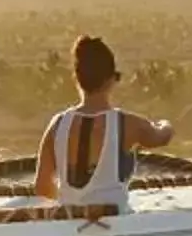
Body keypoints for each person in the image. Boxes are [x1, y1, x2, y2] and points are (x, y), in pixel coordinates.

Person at [31, 35, 175, 213]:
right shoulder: (129, 124)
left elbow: (42, 187)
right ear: (110, 80)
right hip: (118, 224)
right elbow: (162, 137)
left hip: (68, 226)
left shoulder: (57, 124)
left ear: (77, 79)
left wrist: (75, 210)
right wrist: (166, 124)